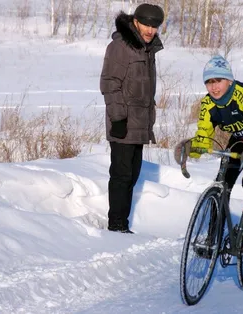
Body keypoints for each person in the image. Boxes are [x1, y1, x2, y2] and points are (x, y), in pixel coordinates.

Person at [174, 55, 243, 259]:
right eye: (209, 82)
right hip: (241, 137)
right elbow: (204, 134)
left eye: (218, 81)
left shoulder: (242, 95)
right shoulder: (208, 104)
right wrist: (192, 147)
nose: (214, 87)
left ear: (229, 81)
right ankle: (212, 238)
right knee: (222, 183)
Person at [100, 3, 164, 233]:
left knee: (132, 175)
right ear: (136, 21)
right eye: (146, 24)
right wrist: (118, 118)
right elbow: (109, 84)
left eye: (155, 26)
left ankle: (122, 224)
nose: (150, 30)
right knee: (121, 175)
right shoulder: (120, 47)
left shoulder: (146, 49)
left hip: (139, 124)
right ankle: (116, 226)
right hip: (124, 123)